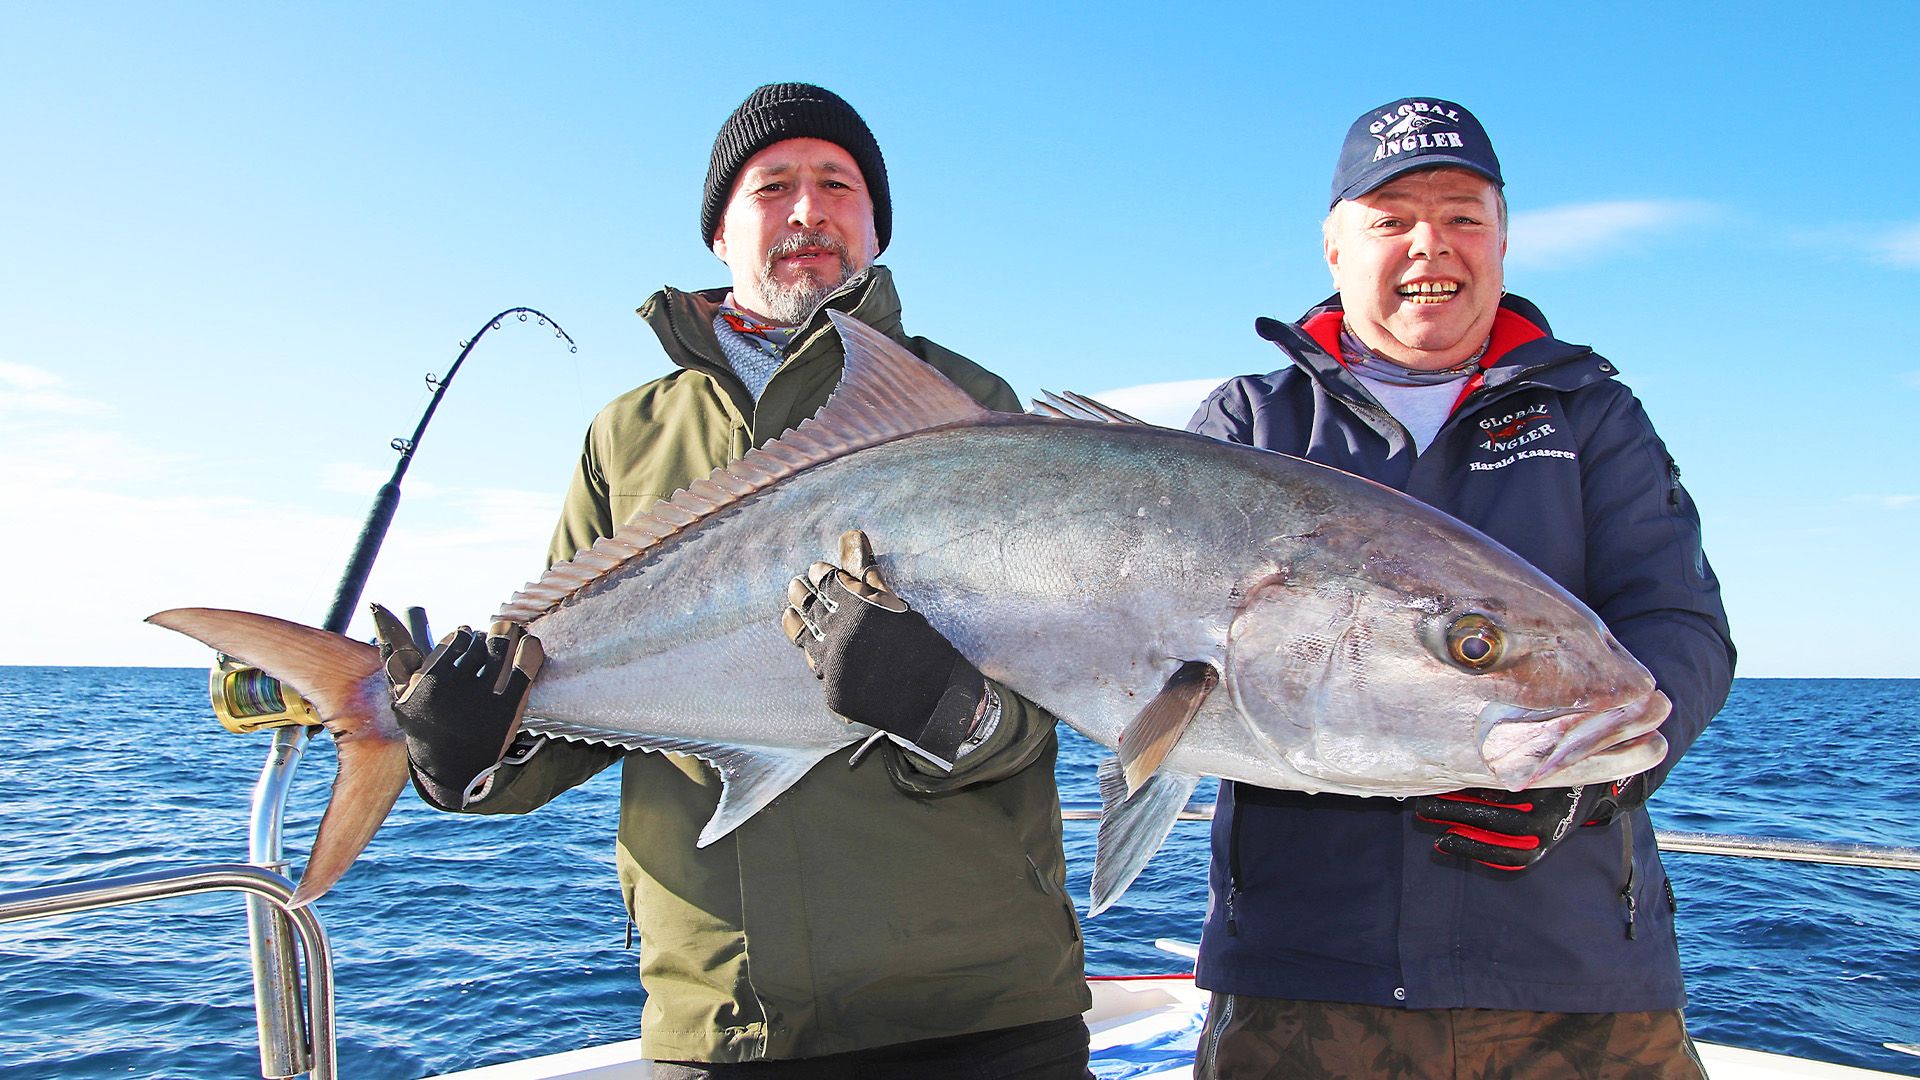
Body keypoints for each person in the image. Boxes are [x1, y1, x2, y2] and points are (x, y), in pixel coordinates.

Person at [377, 83, 1091, 1077]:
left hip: (980, 1006)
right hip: (727, 1021)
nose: (808, 210)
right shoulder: (627, 437)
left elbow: (1053, 694)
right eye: (773, 186)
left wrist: (948, 707)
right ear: (721, 231)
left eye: (838, 185)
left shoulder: (969, 406)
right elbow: (563, 703)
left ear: (877, 226)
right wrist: (459, 756)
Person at [1184, 97, 1736, 1079]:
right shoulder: (1253, 422)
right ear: (1334, 247)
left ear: (1504, 239)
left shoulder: (1590, 412)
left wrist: (1604, 778)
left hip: (1571, 977)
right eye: (1390, 218)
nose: (1429, 243)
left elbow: (1679, 619)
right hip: (1308, 978)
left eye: (1463, 215)